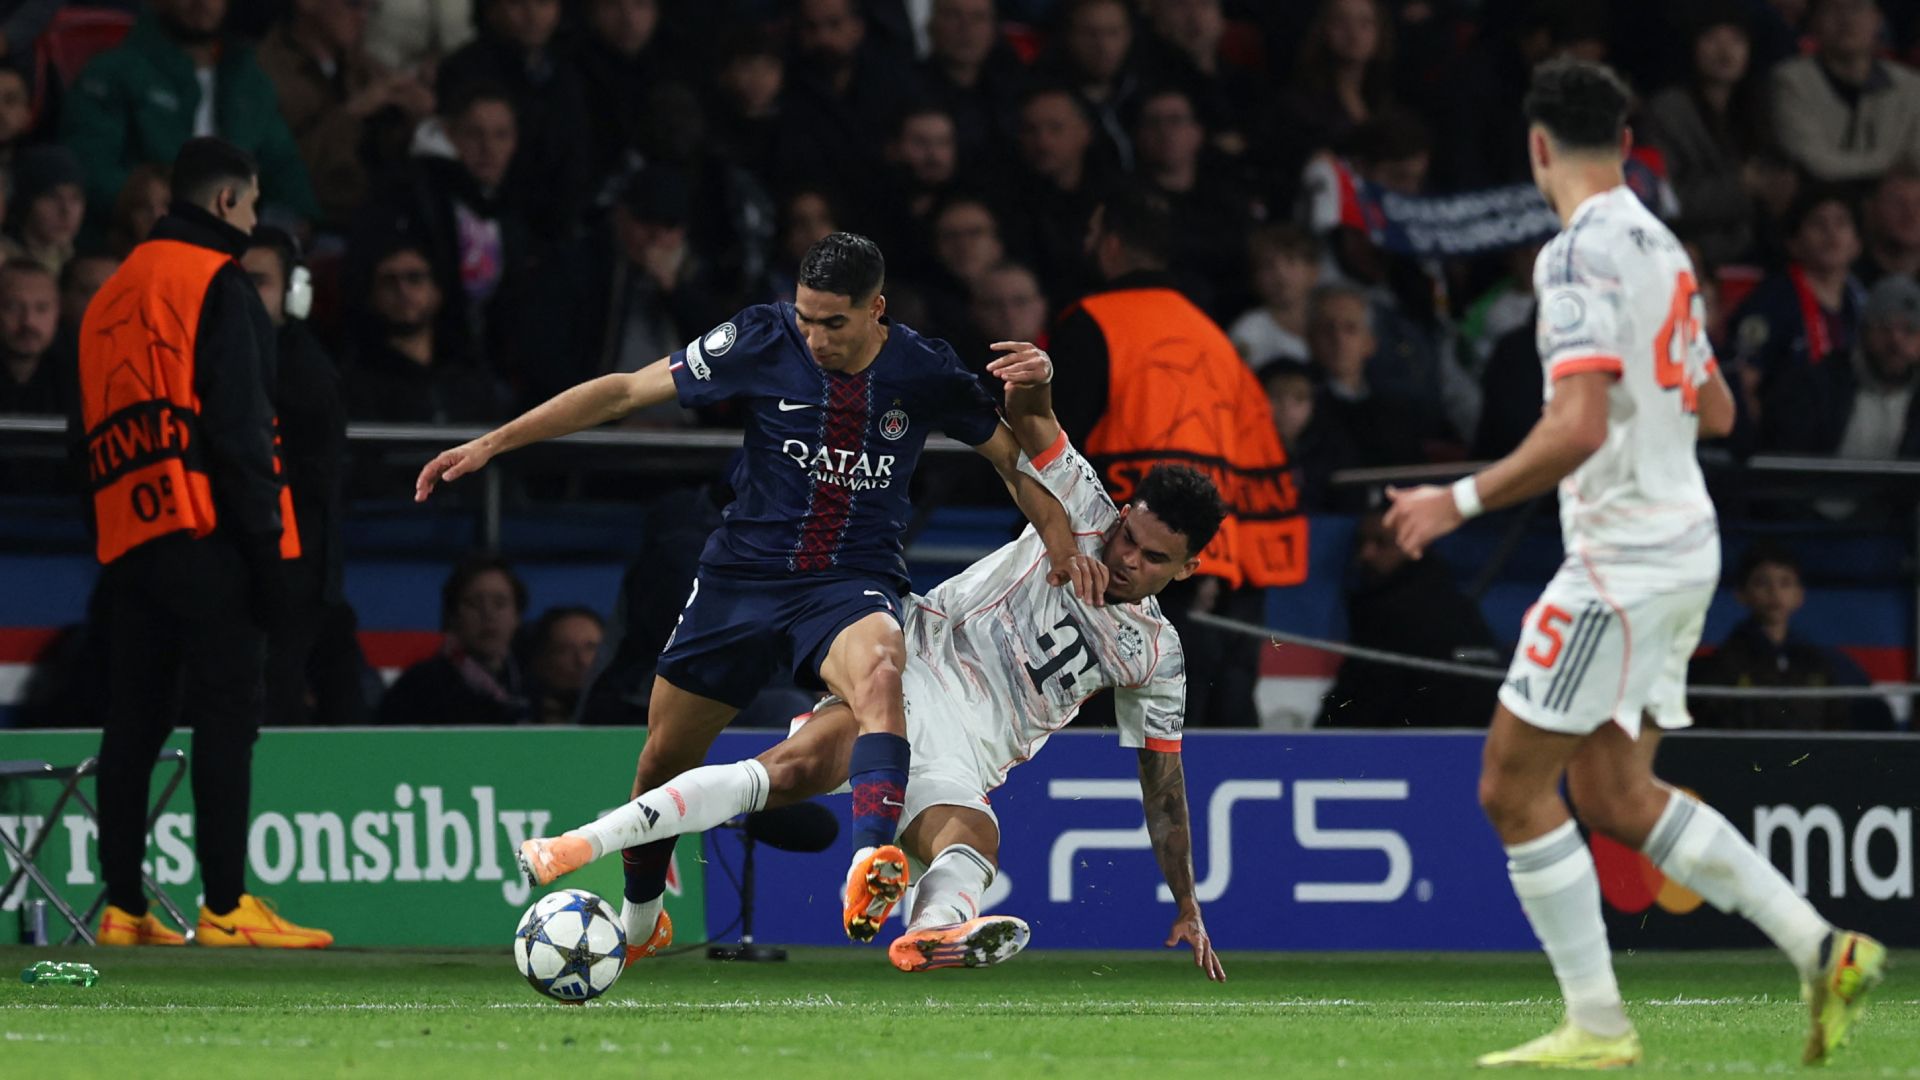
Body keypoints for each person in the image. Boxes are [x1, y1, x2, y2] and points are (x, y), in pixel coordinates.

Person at [1384, 59, 1882, 1069]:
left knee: (1509, 787)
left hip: (1620, 562)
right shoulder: (1667, 249)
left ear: (1537, 150)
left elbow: (1572, 424)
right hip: (1687, 546)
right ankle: (1823, 947)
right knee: (1614, 794)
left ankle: (1599, 1026)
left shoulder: (1574, 255)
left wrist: (1458, 499)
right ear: (1625, 142)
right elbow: (1721, 409)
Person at [414, 232, 1094, 951]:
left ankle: (870, 859)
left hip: (848, 581)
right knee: (662, 760)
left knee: (881, 673)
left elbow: (1009, 458)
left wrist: (1058, 533)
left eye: (834, 322)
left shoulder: (923, 369)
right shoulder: (763, 337)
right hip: (741, 581)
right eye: (808, 317)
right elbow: (624, 391)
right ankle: (641, 918)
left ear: (877, 310)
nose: (816, 337)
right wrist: (492, 443)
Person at [519, 342, 1226, 982]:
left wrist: (1187, 903)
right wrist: (1039, 379)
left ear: (1189, 568)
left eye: (1153, 557)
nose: (1127, 558)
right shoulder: (1084, 509)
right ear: (1125, 511)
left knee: (974, 839)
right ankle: (581, 843)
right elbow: (1034, 423)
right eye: (1129, 537)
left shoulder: (1156, 657)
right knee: (787, 772)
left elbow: (1162, 787)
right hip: (917, 663)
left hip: (972, 753)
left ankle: (928, 932)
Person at [75, 136, 331, 949]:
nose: (252, 222)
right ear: (227, 202)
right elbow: (241, 432)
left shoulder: (109, 295)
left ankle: (124, 908)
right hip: (210, 533)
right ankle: (225, 907)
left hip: (130, 536)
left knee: (135, 724)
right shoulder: (215, 283)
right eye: (252, 206)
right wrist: (271, 557)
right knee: (226, 719)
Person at [1048, 187, 1305, 729]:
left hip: (1114, 575)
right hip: (1215, 575)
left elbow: (1049, 450)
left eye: (1094, 234)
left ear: (1112, 246)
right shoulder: (1213, 337)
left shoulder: (1092, 322)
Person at [241, 226, 367, 727]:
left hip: (293, 586)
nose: (243, 297)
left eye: (258, 282)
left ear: (294, 293)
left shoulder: (307, 374)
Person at [60, 0, 319, 225]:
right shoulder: (115, 71)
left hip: (233, 241)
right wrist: (140, 197)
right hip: (142, 236)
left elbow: (283, 166)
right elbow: (89, 165)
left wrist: (290, 219)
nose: (202, 2)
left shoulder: (247, 79)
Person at [257, 0, 435, 229]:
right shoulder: (265, 71)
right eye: (353, 5)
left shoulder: (365, 68)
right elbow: (277, 171)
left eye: (370, 9)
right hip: (299, 223)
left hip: (366, 223)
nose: (363, 17)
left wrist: (415, 120)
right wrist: (354, 113)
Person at [1318, 507, 1498, 728]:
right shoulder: (1457, 602)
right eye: (1361, 543)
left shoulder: (1392, 613)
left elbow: (1360, 700)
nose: (1366, 554)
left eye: (1381, 542)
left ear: (1414, 546)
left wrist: (1312, 744)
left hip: (1414, 750)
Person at [1690, 542, 1895, 731]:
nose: (1775, 593)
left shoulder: (1819, 663)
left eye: (1785, 583)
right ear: (1742, 594)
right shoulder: (1723, 664)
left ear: (1799, 595)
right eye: (1762, 583)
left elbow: (1837, 726)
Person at [343, 239, 513, 423]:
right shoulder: (356, 381)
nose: (403, 290)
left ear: (437, 290)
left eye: (414, 278)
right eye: (389, 280)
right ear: (372, 295)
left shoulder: (468, 372)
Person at [1771, 0, 1920, 184]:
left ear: (1878, 19)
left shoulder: (1911, 86)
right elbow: (1814, 162)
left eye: (1857, 8)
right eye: (1833, 9)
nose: (1847, 20)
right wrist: (1891, 163)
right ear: (1814, 21)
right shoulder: (1790, 81)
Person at [379, 553, 531, 725]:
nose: (488, 615)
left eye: (500, 603)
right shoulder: (419, 687)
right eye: (473, 604)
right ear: (452, 617)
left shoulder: (531, 684)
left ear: (518, 616)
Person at [1228, 223, 1318, 367]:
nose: (1280, 274)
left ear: (1313, 271)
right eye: (1268, 265)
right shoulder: (1248, 331)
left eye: (1291, 261)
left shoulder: (1333, 321)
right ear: (1255, 278)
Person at [9, 146, 87, 278]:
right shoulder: (6, 262)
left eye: (75, 198)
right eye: (52, 197)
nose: (66, 210)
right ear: (27, 203)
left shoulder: (84, 264)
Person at [524, 605, 604, 725]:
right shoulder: (521, 720)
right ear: (540, 661)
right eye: (564, 650)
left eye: (591, 647)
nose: (582, 661)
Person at [0, 261, 61, 415]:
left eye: (41, 308)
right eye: (13, 307)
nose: (28, 321)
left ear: (57, 313)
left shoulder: (78, 377)